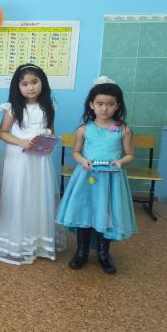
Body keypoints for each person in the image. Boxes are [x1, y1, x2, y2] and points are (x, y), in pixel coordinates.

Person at [56, 77, 137, 274]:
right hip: (87, 179)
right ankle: (81, 252)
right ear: (92, 104)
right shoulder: (84, 130)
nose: (104, 108)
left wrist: (121, 162)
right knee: (85, 212)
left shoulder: (123, 130)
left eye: (110, 104)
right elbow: (76, 152)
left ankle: (103, 254)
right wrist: (82, 160)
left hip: (111, 180)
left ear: (118, 105)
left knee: (106, 213)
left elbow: (130, 154)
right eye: (100, 103)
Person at [0, 64, 65, 265]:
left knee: (38, 197)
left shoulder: (49, 106)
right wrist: (21, 142)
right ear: (18, 86)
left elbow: (51, 131)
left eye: (34, 82)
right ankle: (14, 242)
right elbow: (3, 133)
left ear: (42, 83)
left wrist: (49, 144)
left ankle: (37, 243)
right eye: (25, 84)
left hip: (39, 160)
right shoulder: (12, 107)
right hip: (18, 159)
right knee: (17, 196)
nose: (30, 87)